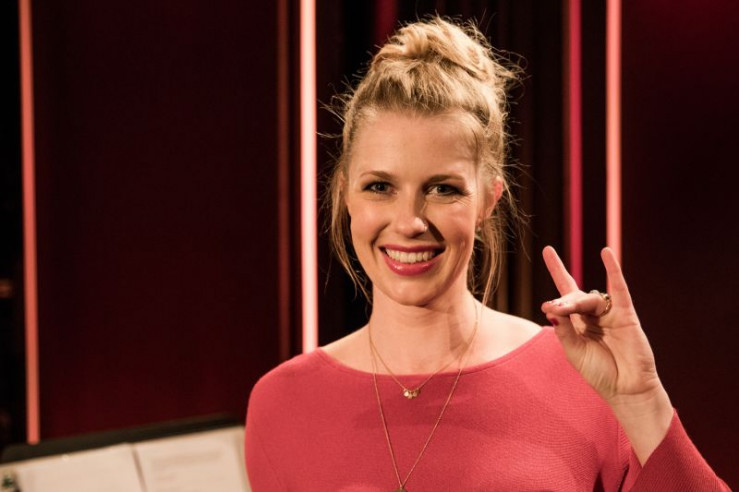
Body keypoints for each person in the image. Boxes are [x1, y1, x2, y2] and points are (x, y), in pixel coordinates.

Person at [245, 17, 728, 491]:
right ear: (345, 193)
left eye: (443, 189)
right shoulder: (281, 404)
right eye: (380, 187)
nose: (410, 222)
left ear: (488, 201)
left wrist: (641, 399)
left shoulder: (586, 376)